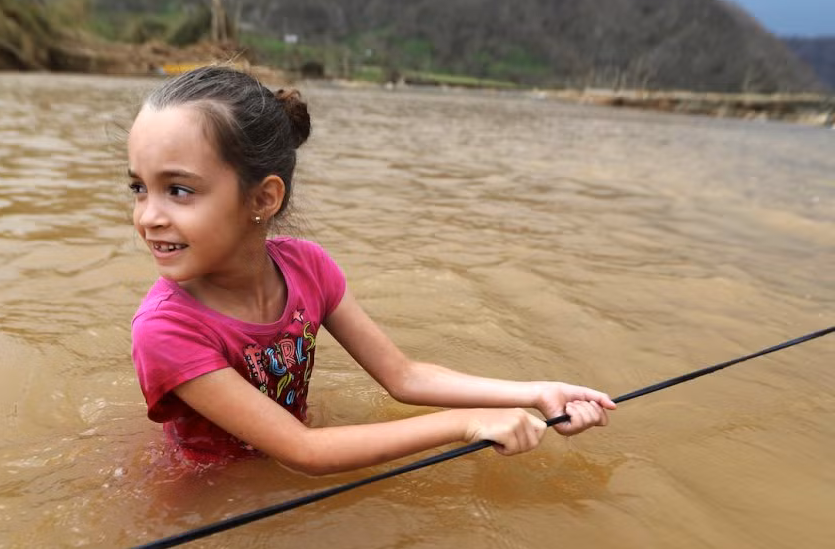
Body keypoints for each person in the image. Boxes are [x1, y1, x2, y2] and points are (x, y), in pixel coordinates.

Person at [128, 65, 613, 475]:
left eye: (179, 190)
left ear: (263, 198)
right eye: (139, 189)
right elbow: (305, 450)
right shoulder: (166, 328)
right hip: (205, 491)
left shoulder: (307, 268)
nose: (149, 216)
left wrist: (535, 393)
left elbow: (405, 376)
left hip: (278, 459)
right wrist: (468, 422)